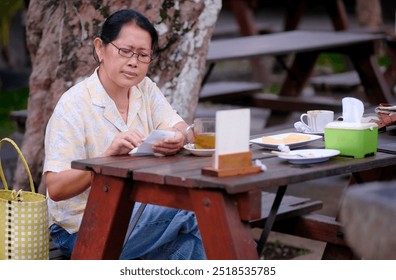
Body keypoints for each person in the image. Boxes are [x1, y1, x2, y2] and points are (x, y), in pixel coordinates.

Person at [43, 9, 206, 260]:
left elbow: (180, 127)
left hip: (138, 215)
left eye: (143, 55)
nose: (134, 62)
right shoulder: (73, 105)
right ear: (100, 48)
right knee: (198, 208)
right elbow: (55, 187)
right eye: (125, 51)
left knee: (188, 245)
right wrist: (104, 160)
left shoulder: (145, 89)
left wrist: (180, 138)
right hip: (82, 228)